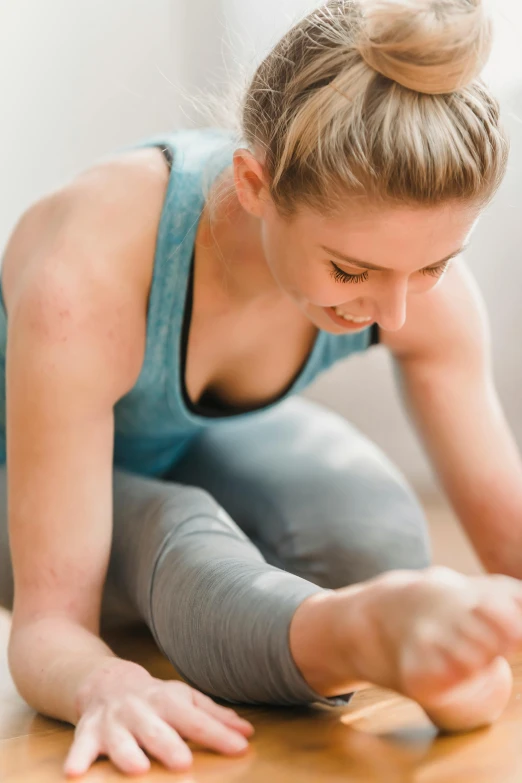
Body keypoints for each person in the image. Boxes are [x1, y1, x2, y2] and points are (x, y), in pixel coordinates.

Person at [2, 0, 522, 777]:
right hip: (20, 481)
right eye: (350, 270)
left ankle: (274, 621)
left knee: (373, 535)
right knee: (180, 530)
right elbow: (47, 627)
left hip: (175, 441)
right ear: (254, 183)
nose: (397, 309)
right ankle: (356, 635)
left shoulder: (405, 275)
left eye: (434, 265)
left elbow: (509, 539)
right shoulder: (91, 272)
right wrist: (100, 679)